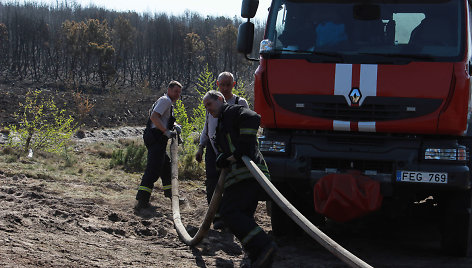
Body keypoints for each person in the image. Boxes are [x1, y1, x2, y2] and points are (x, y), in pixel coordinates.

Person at [202, 90, 277, 267]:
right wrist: (225, 158)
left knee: (229, 213)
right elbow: (229, 148)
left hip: (248, 175)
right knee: (243, 216)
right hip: (241, 177)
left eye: (209, 104)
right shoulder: (222, 122)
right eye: (206, 107)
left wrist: (240, 151)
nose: (208, 109)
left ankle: (264, 244)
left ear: (220, 99)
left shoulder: (232, 111)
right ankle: (258, 256)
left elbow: (253, 118)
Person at [195, 72, 248, 229]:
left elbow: (247, 125)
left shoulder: (240, 102)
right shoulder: (210, 102)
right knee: (212, 183)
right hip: (213, 149)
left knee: (233, 184)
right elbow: (207, 126)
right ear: (217, 85)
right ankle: (216, 217)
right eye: (222, 84)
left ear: (234, 84)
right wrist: (201, 147)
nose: (225, 88)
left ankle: (232, 216)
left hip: (233, 151)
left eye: (228, 84)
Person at [135, 81, 183, 210]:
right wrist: (166, 131)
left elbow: (162, 118)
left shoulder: (167, 102)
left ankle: (171, 194)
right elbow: (154, 117)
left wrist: (174, 126)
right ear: (169, 89)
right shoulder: (166, 100)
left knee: (166, 166)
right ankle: (142, 200)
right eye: (175, 91)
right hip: (156, 137)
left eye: (179, 92)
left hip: (156, 138)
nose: (177, 94)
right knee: (153, 169)